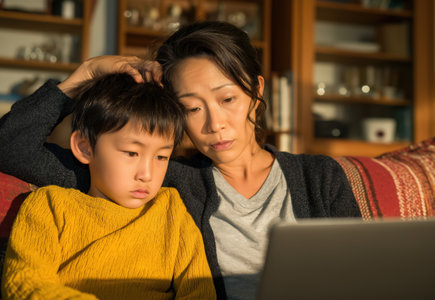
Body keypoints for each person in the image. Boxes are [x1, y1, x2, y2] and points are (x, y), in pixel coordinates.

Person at [0, 21, 361, 300]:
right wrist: (84, 76)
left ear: (256, 92)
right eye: (191, 107)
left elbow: (363, 275)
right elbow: (12, 146)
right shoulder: (161, 179)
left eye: (228, 99)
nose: (215, 124)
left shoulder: (320, 178)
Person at [1, 72, 216, 300]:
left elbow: (200, 293)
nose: (147, 174)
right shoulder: (49, 205)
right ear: (84, 148)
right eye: (132, 153)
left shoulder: (172, 210)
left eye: (161, 157)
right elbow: (25, 282)